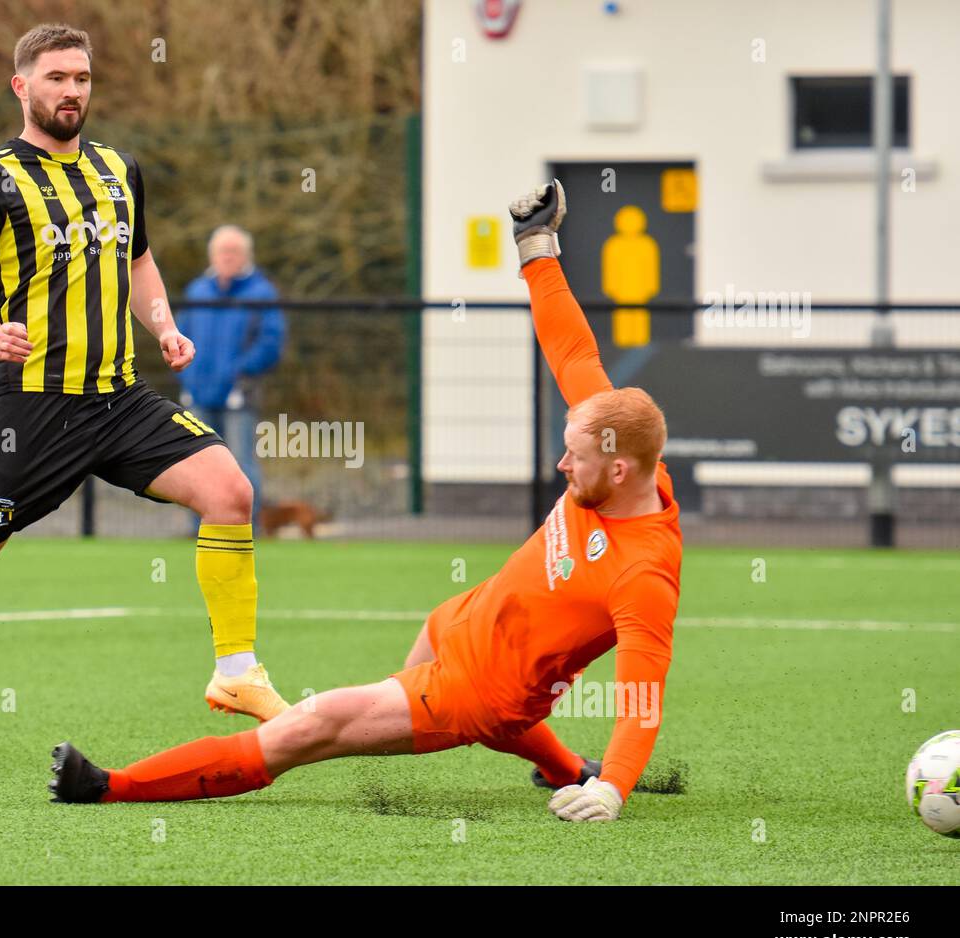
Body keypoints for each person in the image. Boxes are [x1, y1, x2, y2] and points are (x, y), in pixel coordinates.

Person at [47, 179, 684, 823]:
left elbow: (640, 695)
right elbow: (571, 347)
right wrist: (535, 244)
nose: (562, 462)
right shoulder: (612, 433)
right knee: (363, 706)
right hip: (455, 624)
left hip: (476, 693)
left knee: (310, 727)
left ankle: (107, 785)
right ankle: (563, 768)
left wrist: (612, 791)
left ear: (622, 468)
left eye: (575, 457)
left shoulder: (644, 572)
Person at [0, 23, 291, 769]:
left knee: (229, 488)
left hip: (118, 398)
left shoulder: (118, 168)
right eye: (57, 77)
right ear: (22, 86)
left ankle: (237, 673)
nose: (72, 91)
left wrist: (163, 328)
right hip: (29, 407)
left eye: (82, 78)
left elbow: (139, 262)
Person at [177, 226, 286, 526]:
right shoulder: (197, 291)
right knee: (196, 462)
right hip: (198, 393)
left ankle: (243, 528)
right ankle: (198, 528)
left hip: (240, 393)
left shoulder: (262, 293)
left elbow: (270, 342)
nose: (227, 257)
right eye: (222, 251)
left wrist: (242, 372)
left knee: (241, 463)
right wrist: (188, 378)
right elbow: (179, 334)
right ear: (212, 255)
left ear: (246, 256)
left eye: (233, 252)